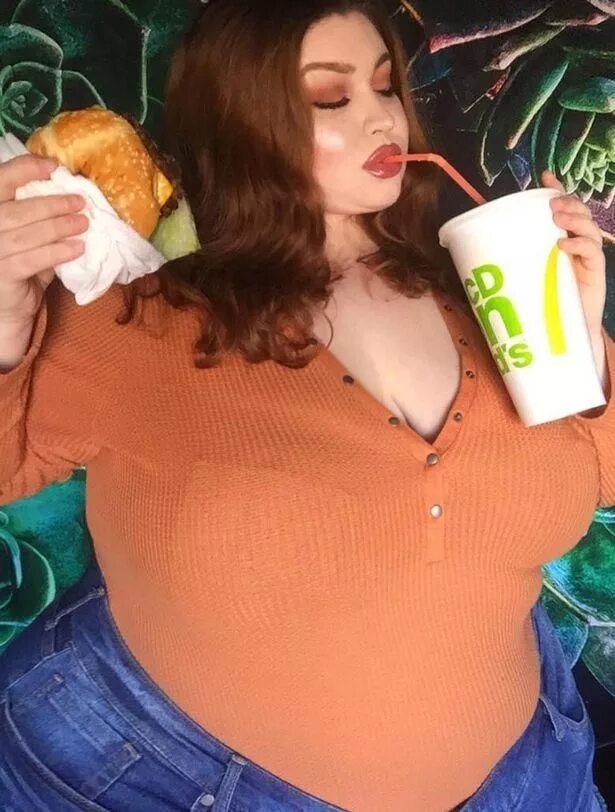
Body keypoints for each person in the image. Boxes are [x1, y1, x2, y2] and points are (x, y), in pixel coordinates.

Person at [0, 1, 612, 810]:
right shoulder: (138, 320)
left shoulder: (492, 300)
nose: (381, 118)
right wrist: (4, 318)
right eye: (331, 97)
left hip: (532, 779)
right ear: (241, 124)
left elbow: (600, 475)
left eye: (386, 87)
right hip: (154, 774)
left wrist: (581, 340)